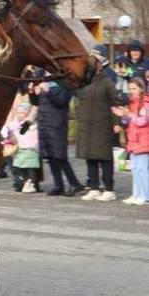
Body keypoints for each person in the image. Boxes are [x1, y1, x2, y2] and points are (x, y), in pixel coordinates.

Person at [76, 47, 125, 202]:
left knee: (105, 159)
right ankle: (94, 187)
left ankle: (109, 189)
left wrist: (117, 123)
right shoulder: (83, 81)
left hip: (103, 125)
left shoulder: (107, 82)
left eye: (93, 60)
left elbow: (116, 103)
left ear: (99, 64)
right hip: (86, 125)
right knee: (90, 158)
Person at [32, 81, 85, 196]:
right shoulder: (43, 81)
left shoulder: (64, 84)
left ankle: (74, 183)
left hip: (56, 123)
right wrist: (33, 93)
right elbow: (36, 103)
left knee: (60, 156)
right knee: (50, 156)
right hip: (44, 122)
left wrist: (48, 90)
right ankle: (58, 185)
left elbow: (61, 101)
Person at [113, 77, 149, 205]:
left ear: (141, 88)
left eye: (134, 88)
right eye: (130, 89)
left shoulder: (145, 102)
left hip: (144, 140)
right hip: (133, 139)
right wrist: (122, 115)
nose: (131, 91)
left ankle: (145, 195)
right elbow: (127, 122)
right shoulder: (131, 103)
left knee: (142, 169)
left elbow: (142, 121)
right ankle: (136, 194)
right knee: (134, 168)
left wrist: (128, 114)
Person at [2, 102, 42, 193]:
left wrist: (33, 146)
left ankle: (31, 183)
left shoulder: (31, 124)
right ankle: (26, 182)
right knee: (20, 167)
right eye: (18, 113)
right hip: (19, 150)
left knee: (30, 167)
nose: (20, 115)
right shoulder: (14, 124)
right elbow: (6, 131)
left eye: (22, 113)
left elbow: (35, 135)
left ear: (27, 114)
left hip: (30, 149)